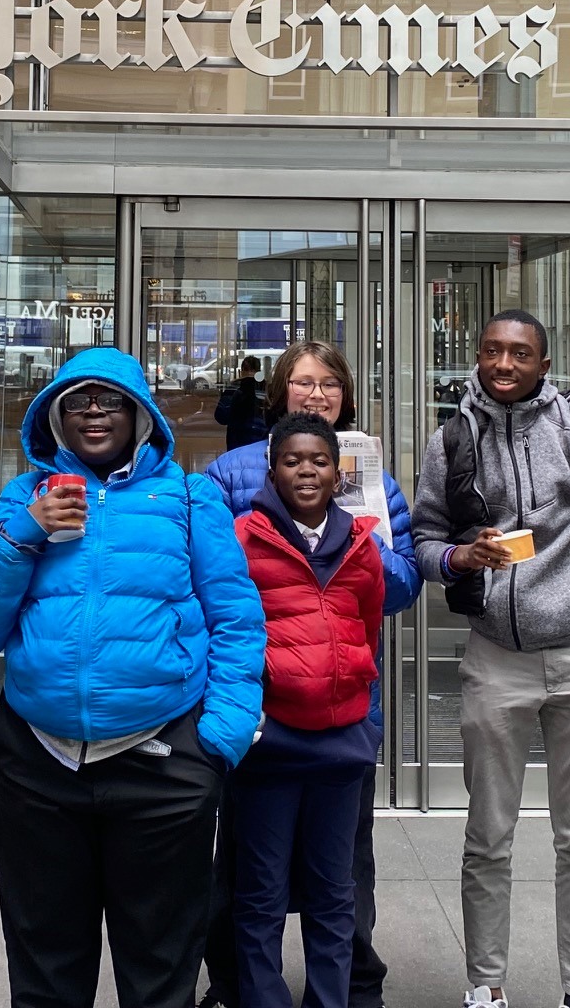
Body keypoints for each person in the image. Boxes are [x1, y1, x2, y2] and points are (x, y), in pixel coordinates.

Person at [0, 347, 267, 1008]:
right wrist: (25, 533)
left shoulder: (189, 497)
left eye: (111, 400)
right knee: (45, 975)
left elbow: (237, 620)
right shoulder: (24, 499)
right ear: (55, 416)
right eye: (79, 401)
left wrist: (219, 741)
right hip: (39, 767)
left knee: (160, 976)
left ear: (140, 414)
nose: (95, 412)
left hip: (163, 766)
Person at [410, 311, 570, 1008]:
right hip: (496, 658)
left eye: (520, 353)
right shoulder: (452, 438)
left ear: (544, 365)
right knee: (487, 834)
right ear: (477, 356)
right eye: (492, 350)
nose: (504, 363)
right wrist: (460, 557)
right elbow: (423, 537)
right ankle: (485, 986)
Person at [201, 339, 418, 1008]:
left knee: (342, 872)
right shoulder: (232, 474)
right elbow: (213, 581)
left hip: (344, 716)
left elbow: (392, 592)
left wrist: (360, 539)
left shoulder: (373, 481)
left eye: (329, 382)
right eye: (302, 381)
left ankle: (351, 987)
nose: (317, 393)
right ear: (279, 393)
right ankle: (237, 986)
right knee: (249, 869)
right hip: (262, 717)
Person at [230, 413, 385, 1008]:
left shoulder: (362, 543)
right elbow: (229, 626)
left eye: (319, 460)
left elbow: (367, 623)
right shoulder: (244, 537)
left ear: (337, 472)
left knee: (333, 891)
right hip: (269, 743)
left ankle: (330, 999)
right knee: (261, 891)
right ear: (272, 469)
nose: (306, 471)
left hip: (340, 745)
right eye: (292, 460)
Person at [215, 354, 268, 451]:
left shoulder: (234, 388)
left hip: (237, 442)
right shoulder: (267, 388)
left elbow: (221, 417)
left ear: (242, 371)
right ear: (259, 371)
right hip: (261, 441)